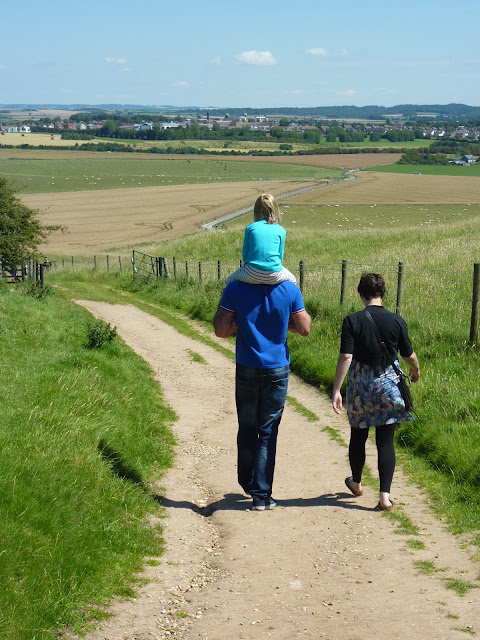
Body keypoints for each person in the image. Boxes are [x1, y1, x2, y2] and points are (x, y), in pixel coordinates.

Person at [213, 277, 311, 511]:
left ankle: (248, 482)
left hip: (247, 367)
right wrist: (283, 321)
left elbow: (221, 331)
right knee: (268, 431)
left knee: (247, 427)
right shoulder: (289, 288)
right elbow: (304, 328)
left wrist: (241, 321)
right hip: (277, 368)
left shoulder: (235, 287)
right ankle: (261, 495)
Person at [332, 273, 420, 511]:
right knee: (385, 441)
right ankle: (384, 497)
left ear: (361, 294)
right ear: (383, 294)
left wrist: (337, 389)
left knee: (358, 436)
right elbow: (407, 355)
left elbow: (346, 356)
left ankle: (356, 483)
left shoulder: (352, 320)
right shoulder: (396, 320)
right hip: (388, 385)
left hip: (360, 387)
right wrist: (415, 369)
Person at [226, 193, 296, 285]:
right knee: (293, 280)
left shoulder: (250, 228)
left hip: (251, 273)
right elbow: (280, 258)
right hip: (274, 274)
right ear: (275, 209)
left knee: (229, 280)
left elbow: (245, 256)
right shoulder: (281, 231)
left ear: (256, 210)